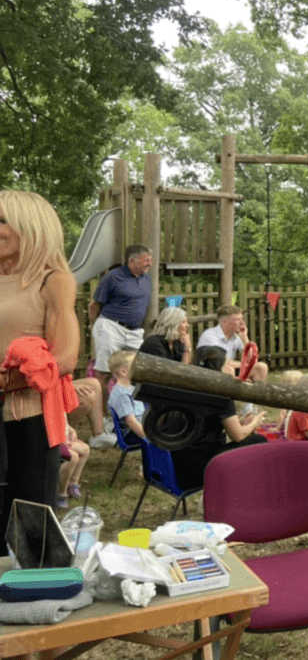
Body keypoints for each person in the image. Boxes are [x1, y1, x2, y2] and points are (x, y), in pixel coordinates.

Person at [0, 190, 81, 538]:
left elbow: (65, 357)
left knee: (30, 522)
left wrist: (10, 378)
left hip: (27, 419)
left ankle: (32, 589)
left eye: (2, 220)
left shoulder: (53, 280)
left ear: (30, 227)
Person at [170, 346, 268, 490]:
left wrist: (240, 423)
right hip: (200, 472)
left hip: (180, 468)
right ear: (218, 369)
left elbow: (206, 425)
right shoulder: (220, 395)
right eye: (227, 364)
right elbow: (238, 436)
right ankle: (249, 492)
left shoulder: (189, 387)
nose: (232, 368)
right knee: (259, 441)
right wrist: (254, 423)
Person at [88, 244, 153, 394]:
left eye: (150, 260)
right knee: (105, 372)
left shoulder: (146, 279)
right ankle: (104, 415)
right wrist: (97, 327)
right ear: (132, 261)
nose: (150, 263)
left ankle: (132, 411)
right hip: (111, 327)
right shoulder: (112, 277)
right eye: (146, 260)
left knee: (138, 370)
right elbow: (94, 305)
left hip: (135, 332)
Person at [197, 305, 269, 383]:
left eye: (242, 319)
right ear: (224, 322)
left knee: (261, 367)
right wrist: (242, 364)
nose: (242, 323)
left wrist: (244, 337)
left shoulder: (236, 336)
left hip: (231, 370)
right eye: (237, 320)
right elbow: (221, 362)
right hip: (210, 374)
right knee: (228, 368)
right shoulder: (210, 335)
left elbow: (252, 361)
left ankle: (257, 393)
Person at [106, 350, 146, 441]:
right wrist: (149, 437)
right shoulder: (122, 395)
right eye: (136, 367)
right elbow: (131, 422)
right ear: (123, 372)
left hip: (141, 425)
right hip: (133, 433)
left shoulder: (129, 389)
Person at [57, 423, 90, 509]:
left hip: (63, 440)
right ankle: (61, 493)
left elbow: (62, 419)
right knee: (73, 457)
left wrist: (71, 429)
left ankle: (73, 483)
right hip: (53, 441)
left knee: (85, 449)